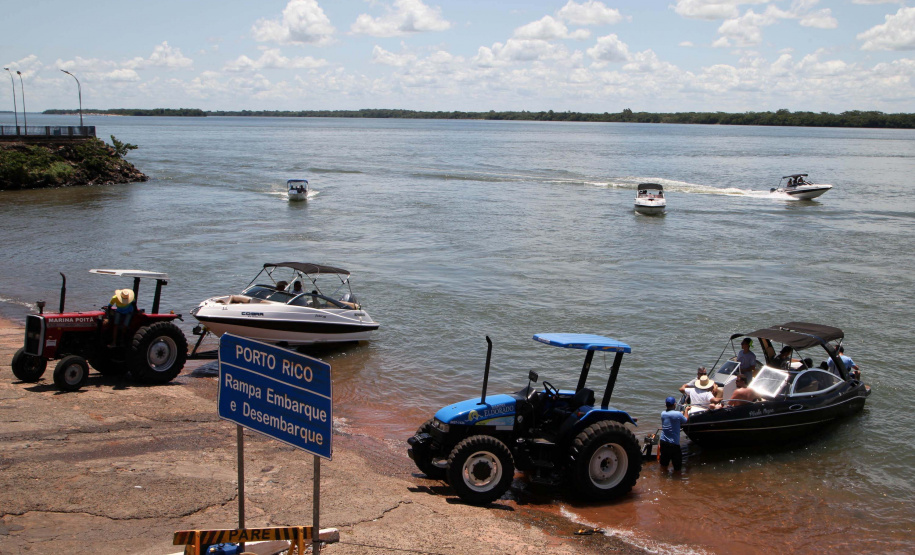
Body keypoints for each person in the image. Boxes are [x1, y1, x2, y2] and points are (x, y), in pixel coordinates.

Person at [659, 396, 688, 472]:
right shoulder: (678, 414)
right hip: (673, 443)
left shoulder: (663, 414)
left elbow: (673, 417)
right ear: (675, 404)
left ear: (666, 405)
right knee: (677, 466)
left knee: (664, 464)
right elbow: (685, 420)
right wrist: (686, 410)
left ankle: (663, 478)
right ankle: (676, 481)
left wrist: (681, 413)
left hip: (663, 441)